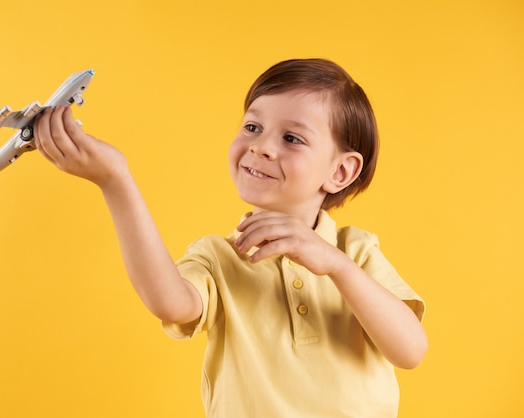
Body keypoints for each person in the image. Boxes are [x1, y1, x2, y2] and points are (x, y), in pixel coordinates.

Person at [34, 58, 427, 418]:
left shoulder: (356, 252)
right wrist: (115, 180)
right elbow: (170, 303)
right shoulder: (219, 258)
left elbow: (410, 351)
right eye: (253, 127)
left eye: (292, 138)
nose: (260, 146)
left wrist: (337, 266)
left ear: (340, 172)